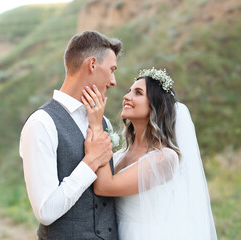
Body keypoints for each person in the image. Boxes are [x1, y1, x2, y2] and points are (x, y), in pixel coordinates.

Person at [82, 67, 218, 240]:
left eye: (138, 93)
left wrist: (96, 124)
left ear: (155, 106)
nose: (126, 96)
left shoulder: (164, 159)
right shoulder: (120, 154)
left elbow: (104, 186)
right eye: (128, 91)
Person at [20, 31, 123, 239]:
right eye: (111, 70)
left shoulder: (103, 123)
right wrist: (91, 161)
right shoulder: (41, 124)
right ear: (92, 64)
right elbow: (46, 211)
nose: (113, 81)